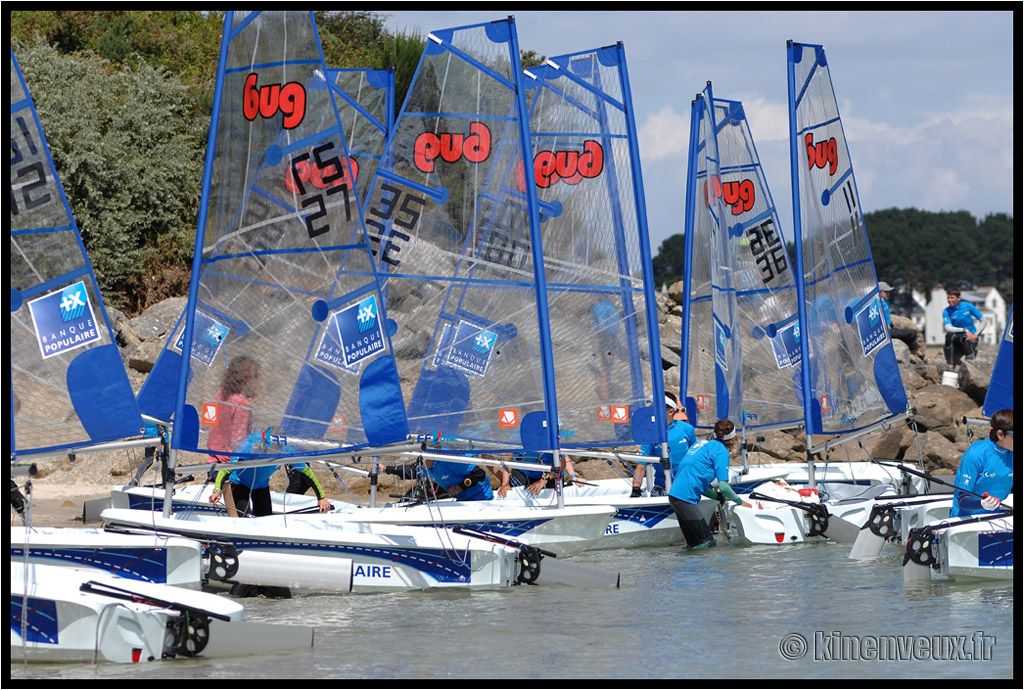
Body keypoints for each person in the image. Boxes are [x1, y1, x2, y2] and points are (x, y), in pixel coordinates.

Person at [667, 419, 751, 549]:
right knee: (708, 543)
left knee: (693, 544)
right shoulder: (721, 452)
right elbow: (723, 486)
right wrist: (741, 502)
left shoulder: (701, 444)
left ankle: (685, 569)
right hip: (685, 500)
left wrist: (718, 497)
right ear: (733, 438)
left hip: (674, 497)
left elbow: (701, 486)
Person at [209, 433, 332, 517]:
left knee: (265, 520)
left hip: (261, 486)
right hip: (239, 483)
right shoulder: (249, 448)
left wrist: (321, 497)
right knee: (244, 520)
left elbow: (307, 472)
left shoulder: (286, 450)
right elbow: (224, 471)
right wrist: (217, 490)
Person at [949, 409, 1014, 518]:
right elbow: (962, 500)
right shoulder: (975, 455)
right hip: (965, 520)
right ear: (1000, 434)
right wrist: (982, 504)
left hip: (994, 518)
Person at [631, 392, 696, 498]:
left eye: (655, 409)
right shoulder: (650, 433)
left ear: (670, 411)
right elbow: (641, 466)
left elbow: (697, 458)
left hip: (686, 485)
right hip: (661, 488)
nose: (652, 412)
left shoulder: (687, 429)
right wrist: (635, 489)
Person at [207, 355, 259, 464]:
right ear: (246, 379)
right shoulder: (242, 404)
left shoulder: (219, 394)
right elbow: (238, 440)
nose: (257, 381)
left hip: (212, 456)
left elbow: (209, 423)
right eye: (255, 376)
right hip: (229, 462)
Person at [942, 287, 984, 369]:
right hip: (957, 337)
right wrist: (964, 330)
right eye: (948, 298)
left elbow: (984, 320)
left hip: (970, 336)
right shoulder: (946, 311)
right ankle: (950, 365)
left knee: (967, 342)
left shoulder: (967, 306)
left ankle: (970, 367)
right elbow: (948, 327)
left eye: (952, 298)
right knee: (949, 335)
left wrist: (976, 334)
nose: (949, 300)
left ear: (958, 298)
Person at [877, 281, 920, 353]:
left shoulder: (885, 302)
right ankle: (913, 353)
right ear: (880, 292)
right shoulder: (877, 303)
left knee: (911, 334)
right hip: (885, 330)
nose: (889, 294)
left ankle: (909, 352)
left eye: (889, 292)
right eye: (886, 292)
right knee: (912, 333)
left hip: (890, 327)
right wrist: (884, 325)